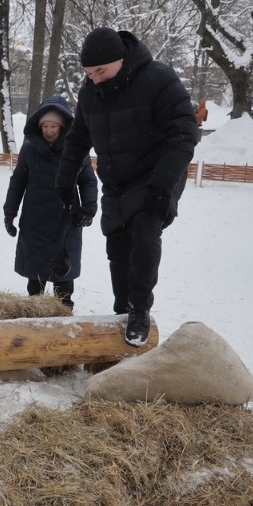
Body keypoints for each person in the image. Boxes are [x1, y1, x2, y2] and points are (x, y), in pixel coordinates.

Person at [54, 27, 198, 347]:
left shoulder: (159, 79)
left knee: (144, 232)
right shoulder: (92, 90)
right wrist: (64, 178)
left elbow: (184, 134)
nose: (94, 79)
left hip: (157, 174)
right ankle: (122, 308)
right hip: (117, 180)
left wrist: (163, 188)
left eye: (100, 71)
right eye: (89, 73)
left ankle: (138, 310)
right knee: (116, 242)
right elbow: (79, 136)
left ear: (120, 60)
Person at [3, 96, 97, 310]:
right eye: (45, 125)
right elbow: (18, 181)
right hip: (34, 220)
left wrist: (89, 208)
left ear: (62, 126)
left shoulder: (76, 150)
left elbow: (88, 181)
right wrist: (10, 212)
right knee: (35, 277)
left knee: (64, 276)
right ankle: (35, 314)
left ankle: (64, 313)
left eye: (53, 125)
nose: (49, 130)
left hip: (65, 220)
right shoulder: (29, 149)